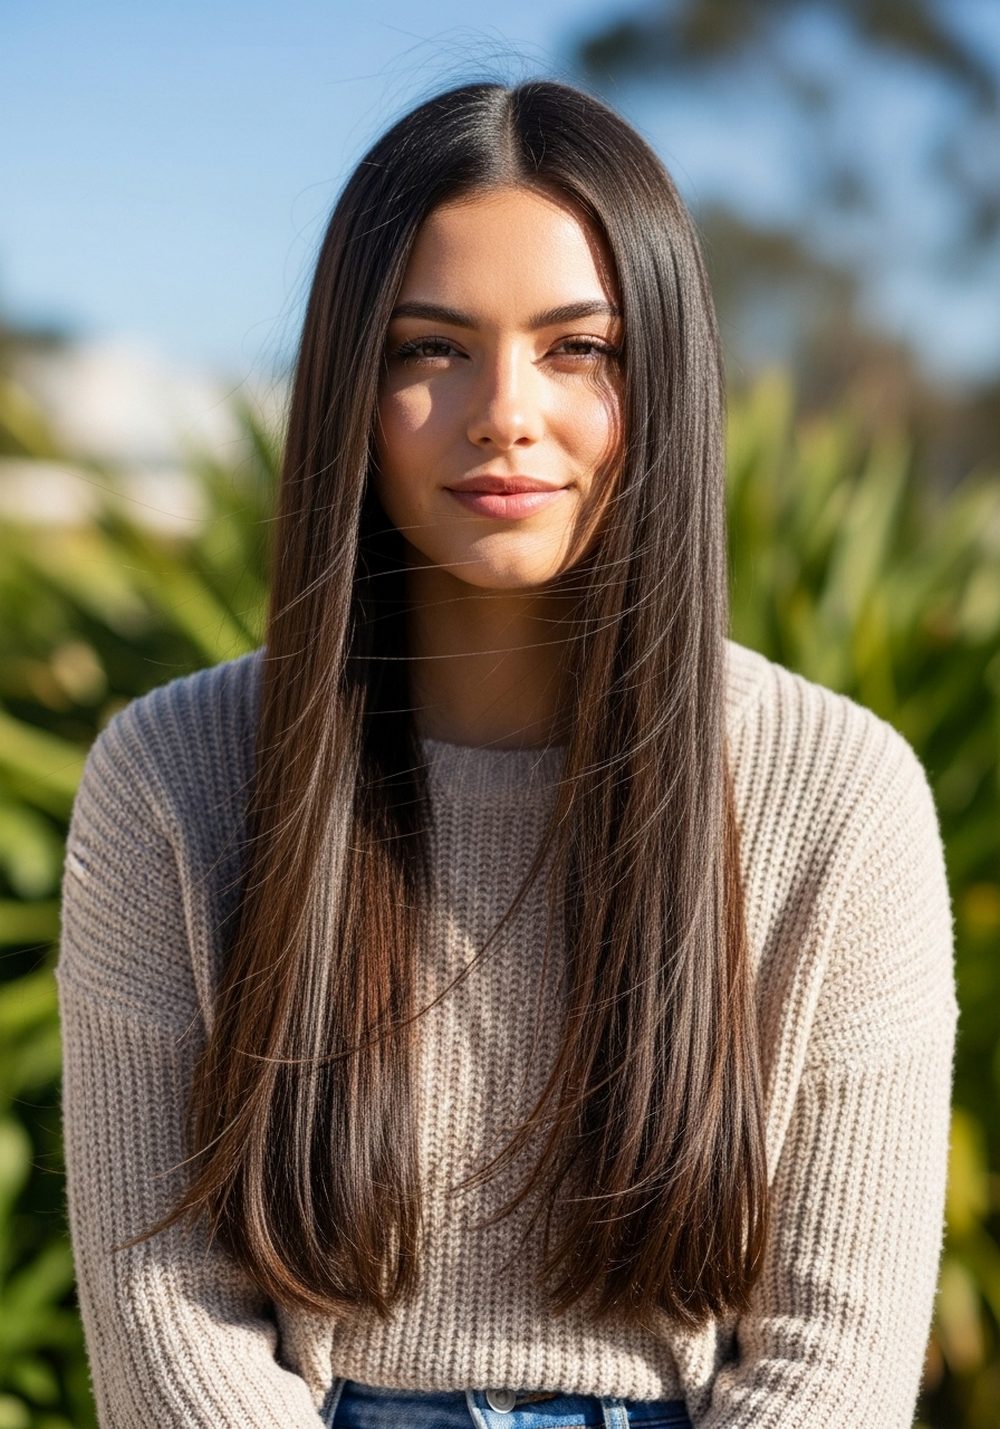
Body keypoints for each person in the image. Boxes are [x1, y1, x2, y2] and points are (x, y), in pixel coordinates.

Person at [55, 77, 959, 1429]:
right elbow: (158, 1308)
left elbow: (838, 1351)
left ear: (665, 377)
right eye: (431, 349)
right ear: (350, 386)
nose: (503, 411)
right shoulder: (176, 780)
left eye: (576, 348)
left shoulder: (837, 792)